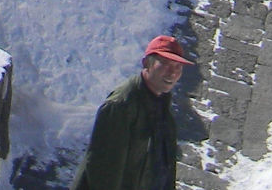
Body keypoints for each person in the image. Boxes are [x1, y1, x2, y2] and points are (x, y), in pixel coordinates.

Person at [71, 35, 191, 190]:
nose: (172, 73)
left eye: (178, 67)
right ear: (146, 63)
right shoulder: (121, 106)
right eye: (165, 64)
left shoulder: (161, 105)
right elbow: (103, 173)